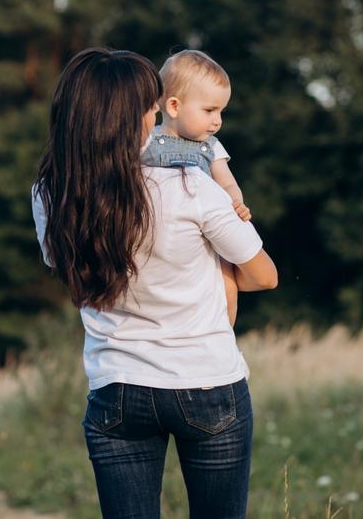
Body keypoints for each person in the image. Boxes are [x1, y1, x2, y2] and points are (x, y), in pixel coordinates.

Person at [31, 47, 278, 519]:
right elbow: (264, 276)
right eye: (149, 104)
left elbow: (74, 274)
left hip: (117, 387)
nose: (155, 112)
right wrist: (210, 275)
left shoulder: (51, 195)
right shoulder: (190, 186)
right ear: (131, 117)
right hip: (206, 381)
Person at [142, 49, 248, 326]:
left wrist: (236, 202)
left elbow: (226, 181)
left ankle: (222, 336)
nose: (218, 121)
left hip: (207, 233)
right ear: (174, 106)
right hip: (162, 235)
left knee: (227, 286)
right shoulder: (146, 141)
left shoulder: (211, 147)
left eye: (221, 111)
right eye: (210, 110)